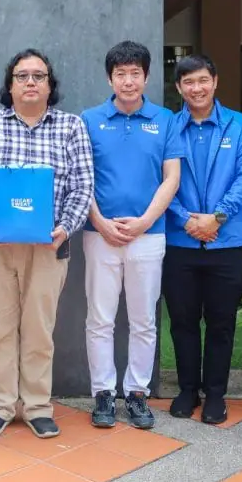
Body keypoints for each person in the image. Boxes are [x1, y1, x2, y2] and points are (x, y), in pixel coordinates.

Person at [0, 48, 94, 439]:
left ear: (50, 85)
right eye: (22, 76)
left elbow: (82, 185)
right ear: (10, 85)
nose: (31, 82)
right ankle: (0, 406)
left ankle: (37, 406)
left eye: (39, 76)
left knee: (39, 328)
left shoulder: (70, 126)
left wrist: (65, 226)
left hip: (49, 244)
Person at [80, 41, 182, 430]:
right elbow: (81, 177)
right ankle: (103, 393)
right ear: (110, 78)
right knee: (100, 319)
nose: (127, 80)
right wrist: (101, 222)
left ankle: (137, 392)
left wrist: (143, 221)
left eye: (134, 73)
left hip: (149, 234)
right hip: (99, 233)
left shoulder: (165, 119)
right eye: (120, 73)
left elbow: (171, 177)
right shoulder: (89, 119)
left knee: (143, 320)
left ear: (146, 76)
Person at [163, 54, 242, 425]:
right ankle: (188, 389)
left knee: (221, 322)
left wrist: (217, 216)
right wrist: (186, 219)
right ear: (179, 88)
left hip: (227, 242)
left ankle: (216, 393)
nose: (197, 88)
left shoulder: (239, 125)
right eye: (189, 82)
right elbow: (161, 181)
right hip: (181, 242)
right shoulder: (170, 127)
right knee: (183, 321)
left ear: (214, 81)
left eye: (203, 80)